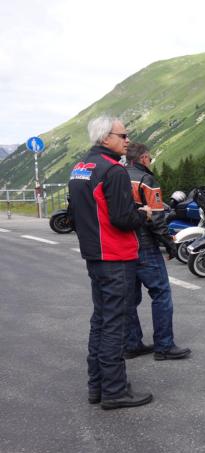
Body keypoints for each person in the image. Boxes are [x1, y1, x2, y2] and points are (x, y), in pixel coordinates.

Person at [68, 116, 153, 410]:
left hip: (94, 254)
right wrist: (143, 214)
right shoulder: (113, 170)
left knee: (100, 322)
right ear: (106, 138)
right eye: (123, 135)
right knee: (115, 325)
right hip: (115, 256)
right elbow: (122, 218)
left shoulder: (81, 167)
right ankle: (115, 391)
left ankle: (98, 386)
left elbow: (73, 214)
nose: (127, 140)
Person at [125, 143, 191, 361]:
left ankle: (131, 344)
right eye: (150, 158)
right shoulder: (146, 180)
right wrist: (169, 243)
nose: (150, 162)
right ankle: (164, 346)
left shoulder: (117, 176)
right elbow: (157, 216)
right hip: (144, 244)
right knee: (161, 294)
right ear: (143, 158)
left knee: (129, 298)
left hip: (122, 245)